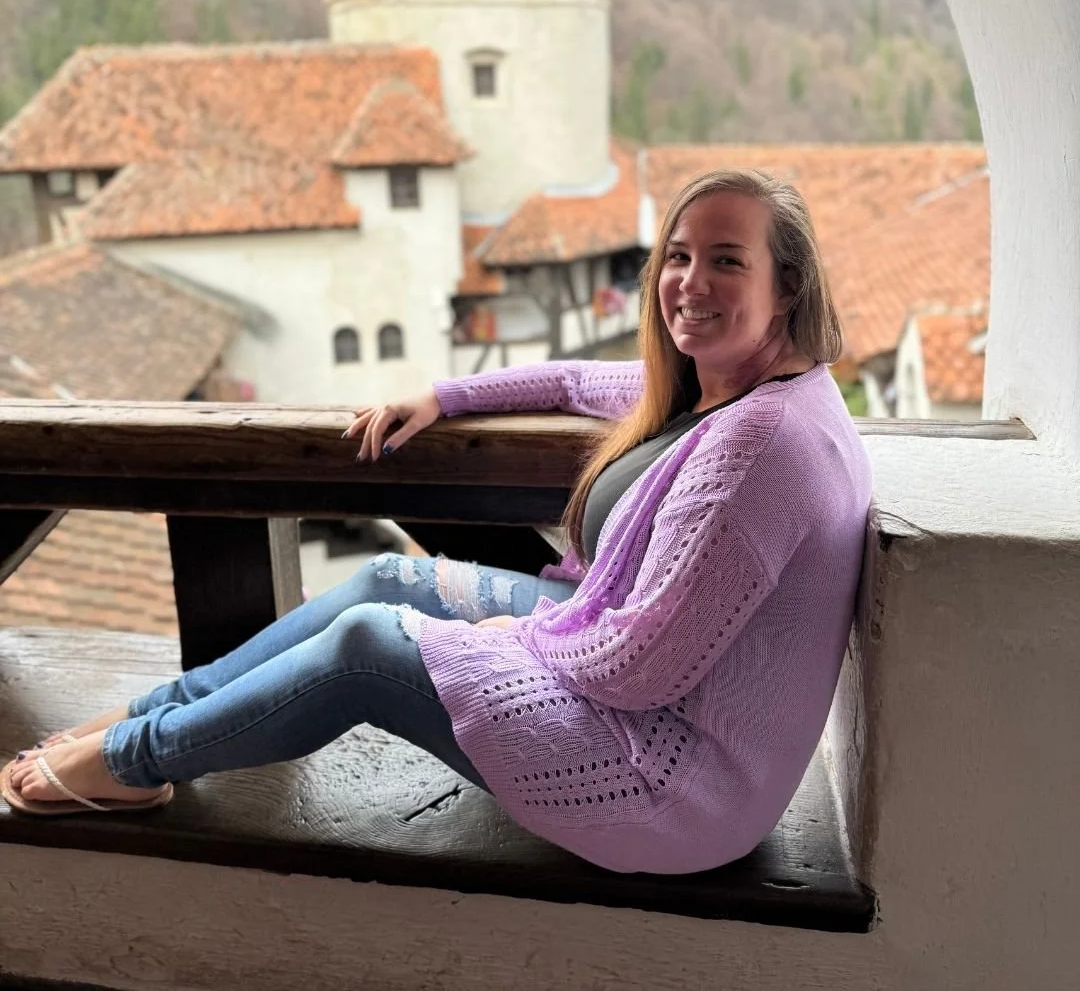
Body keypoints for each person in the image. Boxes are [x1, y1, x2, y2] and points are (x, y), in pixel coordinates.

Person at [2, 169, 871, 875]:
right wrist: (444, 397)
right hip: (632, 685)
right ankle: (150, 711)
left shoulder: (759, 445)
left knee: (369, 646)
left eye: (726, 260)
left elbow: (638, 670)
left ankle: (133, 761)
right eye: (678, 256)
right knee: (389, 576)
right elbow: (574, 382)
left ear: (787, 286)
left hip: (670, 784)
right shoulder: (723, 388)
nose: (690, 282)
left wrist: (510, 639)